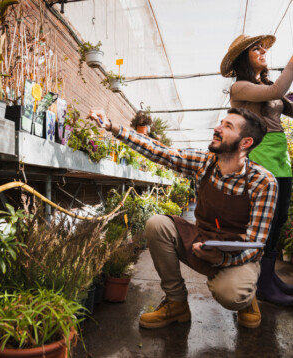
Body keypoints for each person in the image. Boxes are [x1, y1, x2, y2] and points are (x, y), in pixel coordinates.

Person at [88, 107, 277, 329]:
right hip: (201, 239)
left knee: (233, 295)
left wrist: (222, 259)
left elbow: (256, 245)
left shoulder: (263, 182)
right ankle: (176, 304)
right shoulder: (205, 162)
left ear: (245, 143)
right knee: (157, 224)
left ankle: (246, 296)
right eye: (220, 123)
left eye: (227, 126)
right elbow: (161, 151)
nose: (217, 129)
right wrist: (112, 126)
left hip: (235, 252)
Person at [221, 34, 293, 306]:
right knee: (267, 220)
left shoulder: (268, 84)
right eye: (256, 48)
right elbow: (275, 95)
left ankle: (268, 278)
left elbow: (286, 105)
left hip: (280, 156)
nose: (263, 51)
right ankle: (259, 283)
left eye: (263, 48)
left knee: (281, 217)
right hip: (260, 155)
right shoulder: (239, 88)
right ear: (243, 58)